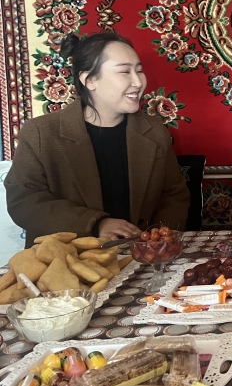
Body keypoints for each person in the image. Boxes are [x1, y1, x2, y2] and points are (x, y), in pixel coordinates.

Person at [5, 32, 190, 245]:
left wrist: (156, 241)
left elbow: (174, 195)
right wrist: (95, 224)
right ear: (90, 80)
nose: (138, 82)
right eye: (125, 71)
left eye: (139, 70)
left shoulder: (154, 131)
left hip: (140, 256)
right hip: (69, 258)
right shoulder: (40, 133)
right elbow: (24, 200)